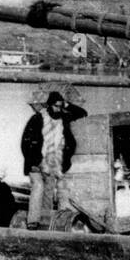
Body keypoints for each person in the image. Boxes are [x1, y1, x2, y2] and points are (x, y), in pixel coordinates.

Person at [20, 91, 87, 228]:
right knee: (38, 187)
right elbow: (25, 143)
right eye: (56, 106)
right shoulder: (37, 119)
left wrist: (67, 105)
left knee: (49, 193)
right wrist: (34, 162)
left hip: (52, 164)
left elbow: (82, 113)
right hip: (36, 163)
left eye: (60, 106)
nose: (58, 109)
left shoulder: (63, 118)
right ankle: (32, 222)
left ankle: (44, 221)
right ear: (49, 105)